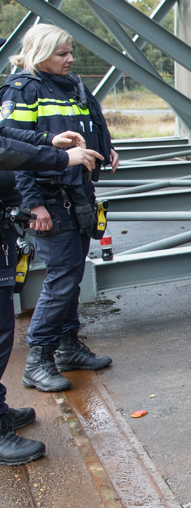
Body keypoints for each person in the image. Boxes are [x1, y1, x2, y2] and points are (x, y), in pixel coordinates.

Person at [0, 24, 118, 394]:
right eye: (61, 54)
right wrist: (32, 202)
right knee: (62, 276)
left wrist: (107, 147)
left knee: (72, 274)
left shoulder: (72, 86)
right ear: (39, 53)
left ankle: (67, 347)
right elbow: (12, 155)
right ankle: (38, 359)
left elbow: (91, 120)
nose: (70, 59)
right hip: (48, 197)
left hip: (77, 192)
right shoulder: (23, 90)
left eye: (70, 52)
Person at [0, 126, 103, 465]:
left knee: (6, 324)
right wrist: (59, 157)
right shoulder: (24, 88)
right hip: (42, 201)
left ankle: (0, 407)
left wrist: (47, 141)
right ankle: (37, 363)